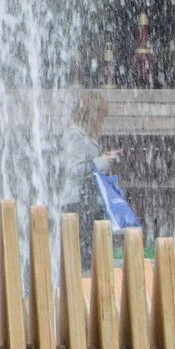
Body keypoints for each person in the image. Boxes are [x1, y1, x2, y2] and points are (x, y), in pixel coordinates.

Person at [61, 89, 121, 272]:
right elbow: (74, 169)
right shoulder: (75, 135)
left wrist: (103, 157)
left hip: (85, 202)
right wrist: (103, 161)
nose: (102, 121)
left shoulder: (82, 134)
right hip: (77, 203)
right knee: (84, 254)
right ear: (92, 114)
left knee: (89, 251)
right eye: (101, 116)